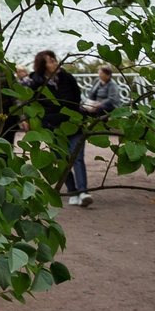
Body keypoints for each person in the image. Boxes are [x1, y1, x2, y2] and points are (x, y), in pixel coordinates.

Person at [24, 49, 92, 205]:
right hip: (52, 127)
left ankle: (83, 192)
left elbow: (77, 96)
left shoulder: (67, 78)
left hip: (73, 124)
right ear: (42, 65)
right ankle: (72, 191)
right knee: (62, 159)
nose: (55, 62)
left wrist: (75, 115)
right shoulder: (36, 83)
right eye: (50, 61)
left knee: (77, 158)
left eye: (55, 59)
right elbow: (32, 104)